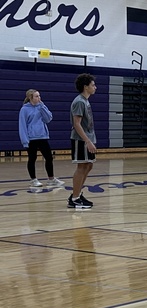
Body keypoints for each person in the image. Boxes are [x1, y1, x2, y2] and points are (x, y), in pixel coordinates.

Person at [19, 89, 62, 188]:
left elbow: (48, 119)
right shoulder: (24, 109)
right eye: (36, 96)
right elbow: (22, 126)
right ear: (30, 98)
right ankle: (33, 180)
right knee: (32, 158)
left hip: (42, 136)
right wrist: (25, 141)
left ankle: (51, 179)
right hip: (31, 138)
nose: (39, 98)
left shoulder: (41, 106)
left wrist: (42, 107)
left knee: (49, 157)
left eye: (39, 96)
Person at [69, 73, 98, 209]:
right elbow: (77, 124)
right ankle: (75, 198)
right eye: (93, 85)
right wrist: (87, 141)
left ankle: (77, 194)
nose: (95, 87)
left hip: (87, 138)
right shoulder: (80, 101)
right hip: (80, 139)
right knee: (81, 166)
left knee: (88, 165)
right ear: (86, 87)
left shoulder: (85, 101)